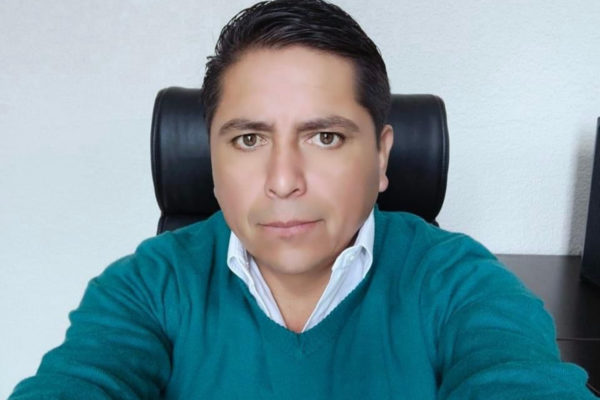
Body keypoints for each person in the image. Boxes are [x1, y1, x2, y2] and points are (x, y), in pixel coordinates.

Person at [9, 0, 597, 399]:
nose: (284, 180)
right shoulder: (145, 286)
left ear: (382, 157)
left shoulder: (460, 282)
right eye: (249, 139)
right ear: (211, 160)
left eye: (325, 137)